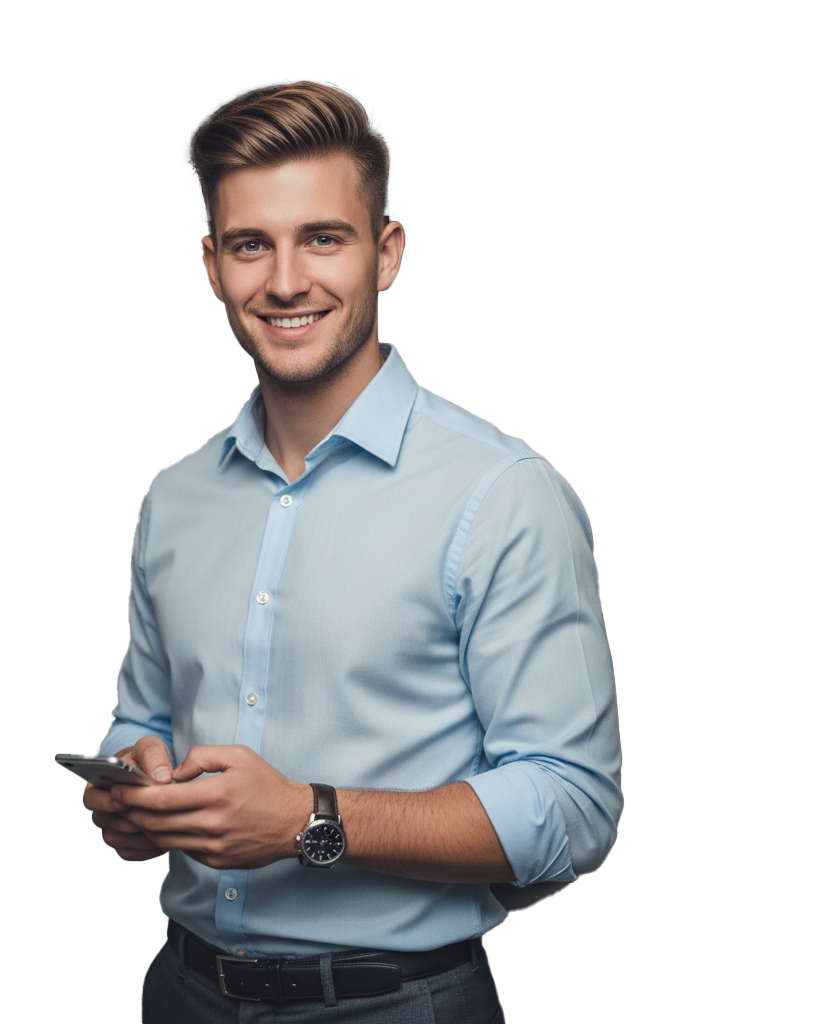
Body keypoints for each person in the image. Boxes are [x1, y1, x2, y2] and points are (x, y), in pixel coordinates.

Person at [84, 79, 623, 1023]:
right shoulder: (173, 499)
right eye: (251, 244)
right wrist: (136, 787)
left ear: (387, 255)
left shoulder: (502, 495)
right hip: (181, 990)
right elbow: (143, 717)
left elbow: (575, 810)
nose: (285, 281)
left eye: (323, 239)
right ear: (213, 267)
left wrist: (309, 818)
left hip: (398, 1004)